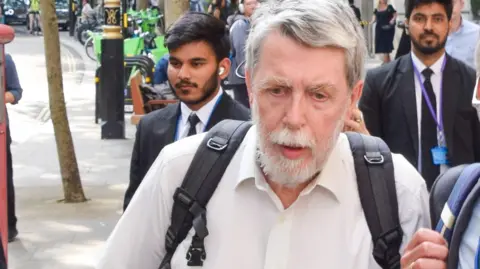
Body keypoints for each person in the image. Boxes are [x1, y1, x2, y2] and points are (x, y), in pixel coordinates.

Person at [97, 0, 431, 268]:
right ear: (252, 88)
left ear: (352, 100)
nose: (294, 118)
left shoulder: (398, 193)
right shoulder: (178, 173)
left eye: (319, 95)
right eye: (277, 90)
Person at [122, 12, 250, 211]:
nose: (183, 75)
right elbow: (134, 209)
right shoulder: (150, 127)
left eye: (196, 64)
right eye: (175, 63)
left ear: (223, 68)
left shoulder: (247, 130)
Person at [359, 0, 480, 189]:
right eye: (420, 18)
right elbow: (367, 149)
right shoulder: (379, 83)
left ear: (449, 23)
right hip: (399, 199)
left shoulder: (471, 81)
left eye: (437, 19)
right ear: (407, 23)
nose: (428, 27)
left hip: (459, 200)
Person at [4, 54, 23, 242]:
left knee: (4, 178)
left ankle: (9, 225)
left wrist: (4, 96)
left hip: (0, 128)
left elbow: (16, 91)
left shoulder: (5, 59)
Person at [227, 0, 259, 108]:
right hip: (241, 78)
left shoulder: (251, 23)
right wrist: (248, 75)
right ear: (241, 7)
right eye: (249, 4)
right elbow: (242, 53)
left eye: (255, 3)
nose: (253, 6)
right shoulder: (240, 25)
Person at [445, 0, 480, 69]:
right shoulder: (430, 33)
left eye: (452, 3)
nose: (448, 7)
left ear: (462, 4)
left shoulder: (477, 33)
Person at [369, 0, 397, 64]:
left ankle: (385, 62)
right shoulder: (376, 9)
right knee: (381, 45)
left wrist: (392, 20)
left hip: (388, 29)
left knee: (386, 45)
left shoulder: (389, 7)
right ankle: (388, 62)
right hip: (379, 29)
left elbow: (395, 15)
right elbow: (374, 18)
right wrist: (370, 22)